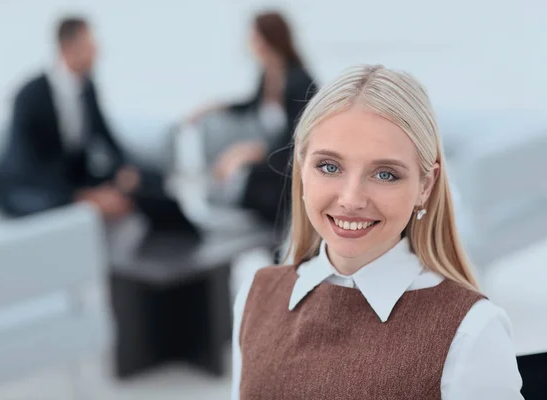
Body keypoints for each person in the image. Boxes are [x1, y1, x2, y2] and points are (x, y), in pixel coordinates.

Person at [231, 65, 523, 399]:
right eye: (329, 167)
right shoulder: (256, 295)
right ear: (301, 168)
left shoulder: (471, 331)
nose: (351, 200)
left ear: (424, 186)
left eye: (385, 174)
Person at [0, 17, 142, 220]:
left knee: (145, 184)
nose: (96, 53)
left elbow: (105, 136)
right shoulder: (30, 97)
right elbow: (28, 164)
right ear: (67, 47)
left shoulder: (87, 87)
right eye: (89, 45)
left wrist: (125, 167)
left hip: (72, 177)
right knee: (55, 205)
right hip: (33, 185)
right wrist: (82, 197)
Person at [184, 11, 317, 225]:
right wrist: (212, 107)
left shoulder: (299, 81)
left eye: (254, 37)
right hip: (275, 159)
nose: (250, 44)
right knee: (232, 177)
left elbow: (297, 138)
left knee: (246, 180)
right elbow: (251, 104)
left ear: (269, 39)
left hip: (292, 164)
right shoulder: (268, 75)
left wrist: (249, 153)